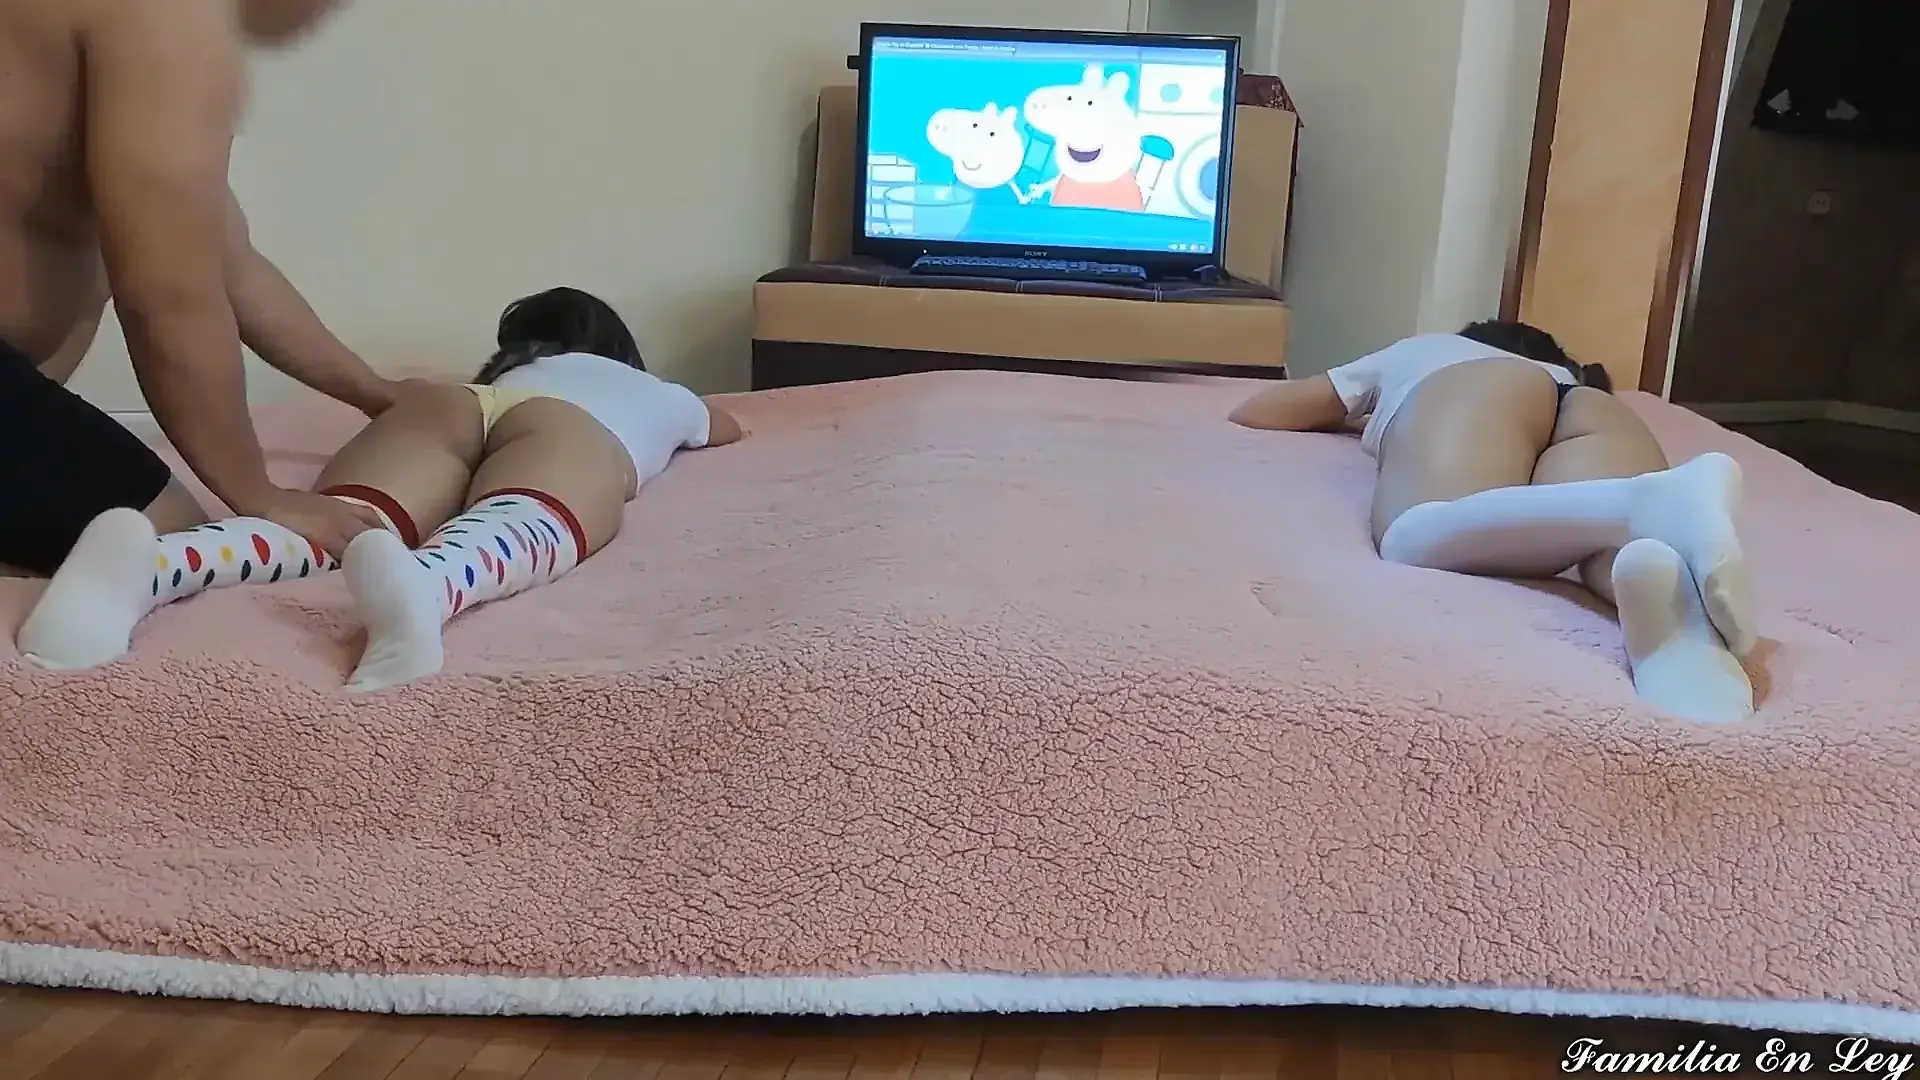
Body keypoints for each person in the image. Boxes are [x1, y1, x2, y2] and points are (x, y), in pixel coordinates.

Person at [17, 287, 744, 692]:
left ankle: (153, 566)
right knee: (522, 515)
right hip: (572, 427)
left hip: (445, 406)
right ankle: (431, 584)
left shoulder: (498, 378)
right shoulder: (652, 391)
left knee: (342, 520)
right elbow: (726, 423)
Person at [0, 0, 396, 582]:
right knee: (161, 542)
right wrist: (259, 494)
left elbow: (231, 265)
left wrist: (376, 393)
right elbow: (167, 294)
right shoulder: (166, 16)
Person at [1229, 320, 1758, 724]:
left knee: (1414, 535)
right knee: (1617, 557)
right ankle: (1683, 642)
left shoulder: (1430, 348)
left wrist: (1363, 407)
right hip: (1592, 409)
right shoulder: (1570, 379)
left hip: (1482, 388)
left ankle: (1638, 507)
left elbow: (1261, 410)